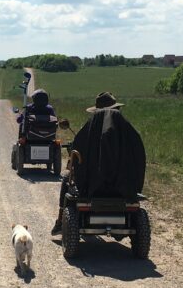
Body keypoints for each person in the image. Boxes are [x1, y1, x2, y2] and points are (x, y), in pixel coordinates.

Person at [51, 92, 146, 234]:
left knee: (67, 179)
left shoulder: (90, 128)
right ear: (116, 109)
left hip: (92, 188)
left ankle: (60, 221)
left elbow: (78, 151)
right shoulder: (127, 130)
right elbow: (139, 155)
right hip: (124, 188)